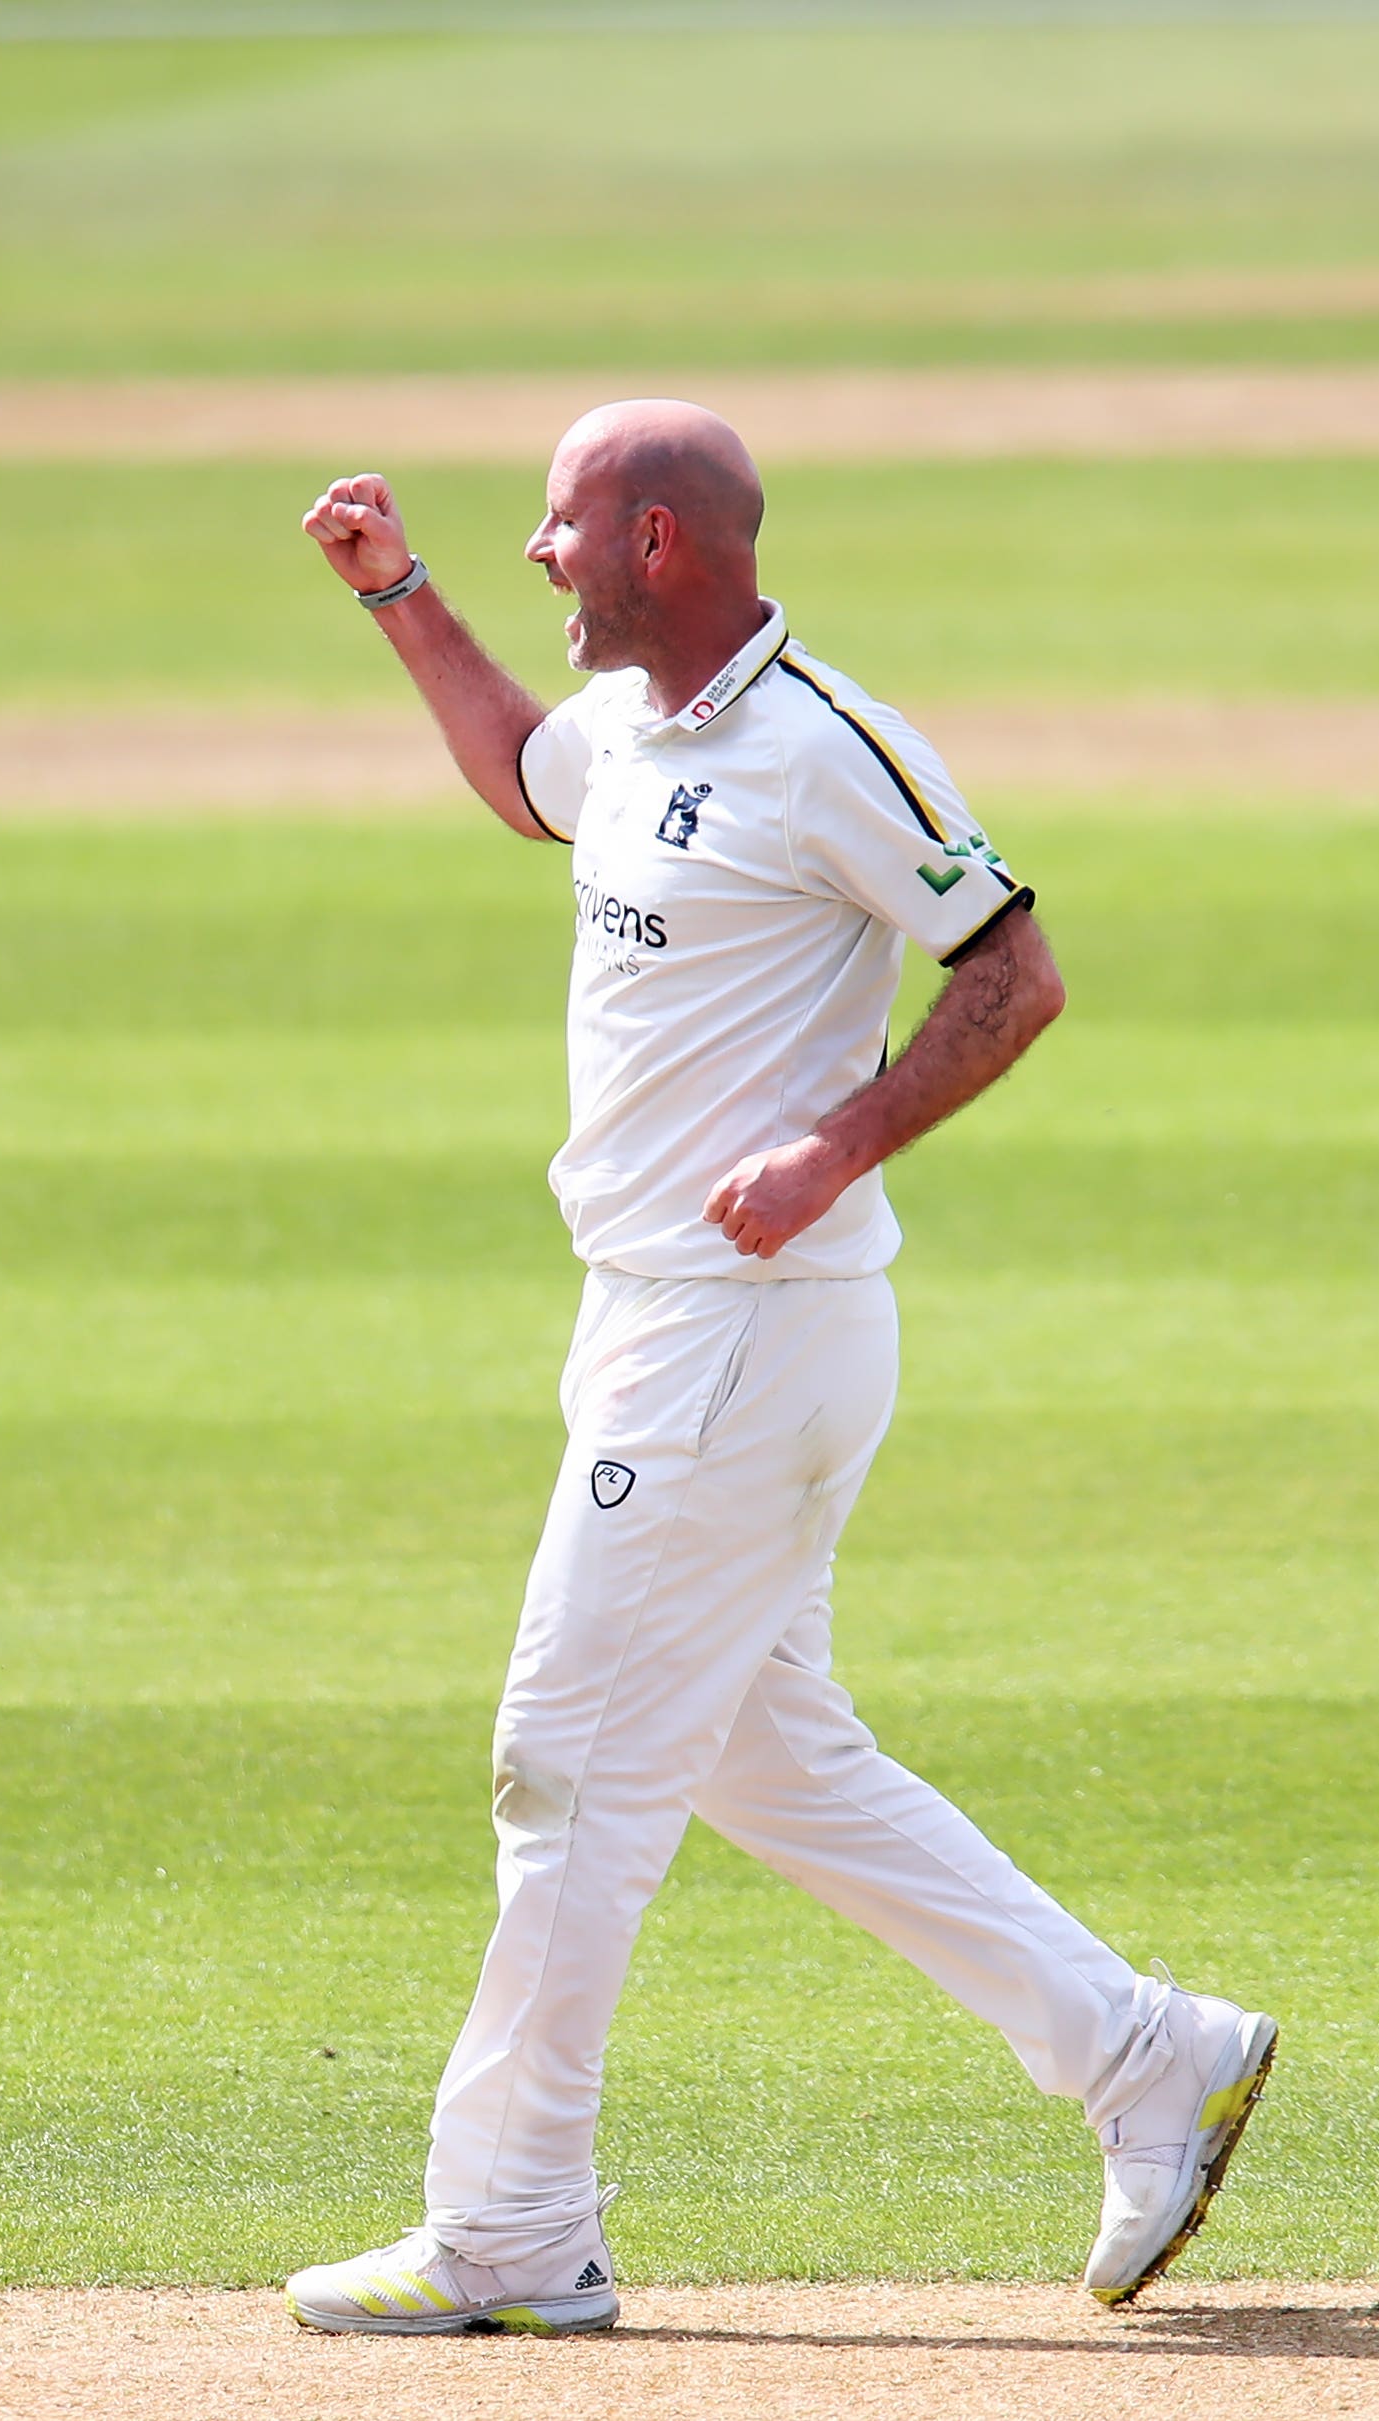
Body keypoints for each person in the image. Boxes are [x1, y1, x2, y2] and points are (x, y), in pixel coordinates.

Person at [280, 401, 1274, 2331]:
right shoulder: (644, 730)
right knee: (763, 1752)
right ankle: (1151, 2053)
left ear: (658, 538)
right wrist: (395, 597)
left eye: (558, 528)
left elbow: (1016, 976)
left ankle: (507, 2226)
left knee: (563, 1763)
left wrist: (835, 1139)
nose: (536, 556)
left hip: (742, 1330)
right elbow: (532, 785)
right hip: (655, 1318)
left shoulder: (831, 747)